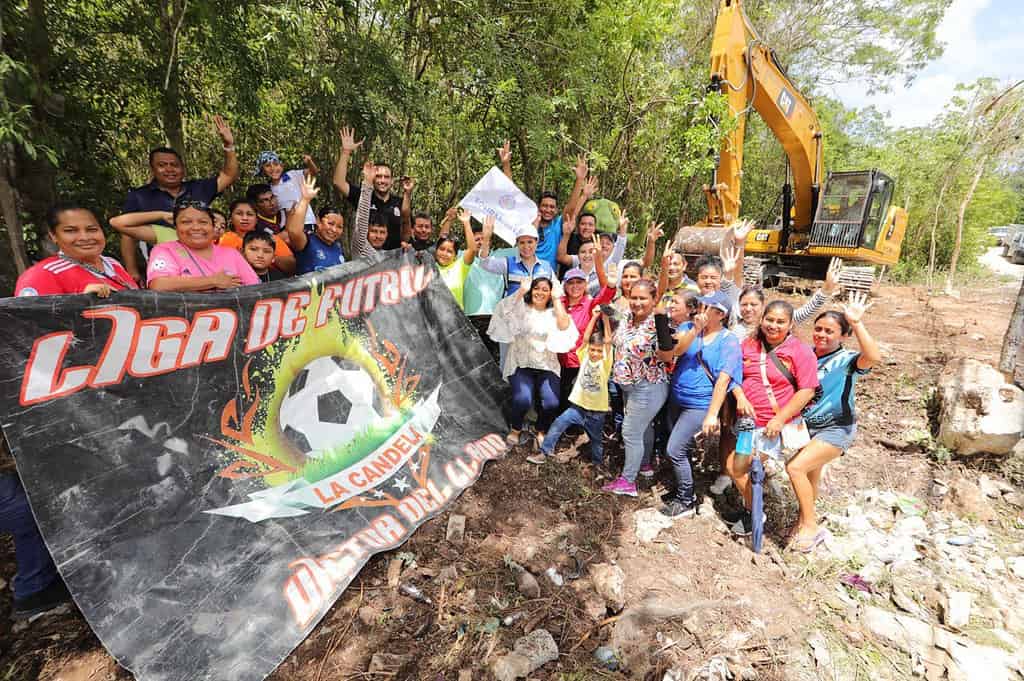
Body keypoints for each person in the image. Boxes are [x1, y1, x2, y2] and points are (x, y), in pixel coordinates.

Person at [786, 293, 880, 552]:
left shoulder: (847, 361)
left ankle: (810, 527)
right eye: (818, 329)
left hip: (837, 428)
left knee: (795, 468)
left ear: (843, 335)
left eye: (830, 331)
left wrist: (857, 322)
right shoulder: (806, 355)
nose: (822, 335)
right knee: (810, 474)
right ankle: (803, 521)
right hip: (808, 428)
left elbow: (872, 357)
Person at [726, 300, 819, 536]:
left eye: (780, 322)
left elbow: (807, 390)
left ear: (790, 325)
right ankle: (751, 509)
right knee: (739, 469)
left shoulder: (800, 351)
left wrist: (779, 420)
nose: (774, 325)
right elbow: (734, 375)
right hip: (747, 423)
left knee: (737, 468)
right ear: (761, 319)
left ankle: (757, 512)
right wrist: (739, 396)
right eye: (770, 320)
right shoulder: (749, 344)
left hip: (772, 425)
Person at [120, 116, 238, 284]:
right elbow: (127, 234)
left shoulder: (198, 188)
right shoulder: (139, 195)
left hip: (203, 265)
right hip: (162, 268)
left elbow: (228, 175)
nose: (169, 169)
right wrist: (131, 270)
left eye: (174, 165)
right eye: (162, 165)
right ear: (152, 169)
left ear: (183, 168)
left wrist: (229, 146)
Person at [655, 291, 742, 517]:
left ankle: (687, 499)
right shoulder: (688, 328)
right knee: (681, 447)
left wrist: (712, 414)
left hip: (699, 404)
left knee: (674, 449)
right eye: (701, 305)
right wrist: (695, 329)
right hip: (676, 398)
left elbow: (723, 380)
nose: (700, 310)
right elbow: (675, 352)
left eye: (707, 307)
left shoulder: (728, 341)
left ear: (720, 314)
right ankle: (683, 486)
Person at [488, 277, 578, 448]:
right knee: (522, 399)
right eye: (537, 288)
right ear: (531, 290)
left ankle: (541, 429)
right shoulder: (521, 309)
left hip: (547, 364)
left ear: (550, 292)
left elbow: (565, 326)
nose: (540, 292)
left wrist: (557, 299)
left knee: (551, 402)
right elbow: (504, 310)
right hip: (521, 362)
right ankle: (516, 428)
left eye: (545, 289)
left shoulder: (554, 312)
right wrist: (521, 290)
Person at [602, 279, 670, 497]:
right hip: (628, 386)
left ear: (653, 300)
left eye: (643, 298)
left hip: (648, 387)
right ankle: (644, 464)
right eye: (634, 297)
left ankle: (628, 481)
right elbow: (611, 313)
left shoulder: (657, 324)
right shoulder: (628, 318)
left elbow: (667, 351)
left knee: (630, 431)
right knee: (644, 427)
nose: (637, 302)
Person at [529, 311, 613, 466]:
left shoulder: (605, 362)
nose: (595, 353)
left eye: (598, 351)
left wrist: (605, 319)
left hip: (596, 413)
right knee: (558, 424)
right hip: (577, 408)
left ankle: (598, 465)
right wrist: (594, 317)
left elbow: (608, 342)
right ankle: (544, 452)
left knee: (596, 441)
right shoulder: (584, 356)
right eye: (592, 349)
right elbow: (585, 338)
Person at [16, 203, 139, 297]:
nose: (84, 237)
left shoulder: (112, 264)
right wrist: (79, 302)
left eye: (92, 229)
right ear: (53, 236)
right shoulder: (42, 275)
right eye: (71, 231)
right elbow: (28, 324)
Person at [147, 201, 259, 291]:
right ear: (176, 227)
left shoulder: (231, 253)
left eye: (203, 222)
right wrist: (213, 281)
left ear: (213, 226)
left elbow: (256, 289)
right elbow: (158, 285)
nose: (196, 227)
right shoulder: (165, 250)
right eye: (186, 222)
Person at [557, 236, 615, 406]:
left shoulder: (590, 303)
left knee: (574, 400)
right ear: (565, 285)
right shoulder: (559, 303)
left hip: (580, 362)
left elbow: (606, 296)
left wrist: (610, 284)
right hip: (557, 360)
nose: (575, 286)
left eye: (579, 282)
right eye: (571, 283)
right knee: (557, 399)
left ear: (585, 284)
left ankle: (573, 431)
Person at [332, 126, 407, 250]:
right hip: (367, 260)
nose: (382, 180)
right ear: (372, 177)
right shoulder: (363, 196)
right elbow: (338, 182)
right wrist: (346, 152)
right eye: (378, 176)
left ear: (392, 181)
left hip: (392, 263)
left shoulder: (399, 202)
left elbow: (408, 228)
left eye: (386, 177)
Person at [285, 176, 348, 274]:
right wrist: (305, 199)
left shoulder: (337, 247)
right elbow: (294, 231)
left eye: (339, 227)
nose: (334, 230)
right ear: (318, 221)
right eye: (330, 223)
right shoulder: (307, 242)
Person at [216, 199, 296, 274]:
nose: (245, 218)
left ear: (256, 219)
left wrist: (270, 258)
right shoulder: (221, 239)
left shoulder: (272, 239)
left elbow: (291, 267)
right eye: (239, 214)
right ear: (231, 218)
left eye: (250, 214)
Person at [557, 213, 624, 297]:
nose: (587, 255)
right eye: (583, 252)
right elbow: (561, 257)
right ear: (578, 255)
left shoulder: (602, 266)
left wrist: (623, 231)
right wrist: (566, 234)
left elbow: (617, 255)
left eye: (591, 251)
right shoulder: (574, 268)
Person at [435, 209, 484, 308]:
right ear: (436, 250)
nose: (444, 253)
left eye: (450, 251)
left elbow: (472, 249)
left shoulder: (459, 267)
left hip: (455, 320)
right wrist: (448, 220)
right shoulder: (430, 266)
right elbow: (442, 238)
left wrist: (466, 222)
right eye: (442, 249)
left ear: (455, 256)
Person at [255, 150, 318, 225]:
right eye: (268, 165)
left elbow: (313, 172)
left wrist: (309, 162)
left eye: (276, 164)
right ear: (263, 170)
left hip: (306, 222)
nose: (273, 168)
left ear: (281, 166)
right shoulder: (268, 190)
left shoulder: (292, 175)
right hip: (286, 227)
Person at [349, 161, 391, 259]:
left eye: (382, 232)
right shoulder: (362, 248)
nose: (378, 236)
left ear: (387, 235)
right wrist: (367, 184)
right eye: (374, 231)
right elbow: (361, 222)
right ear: (367, 232)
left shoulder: (388, 257)